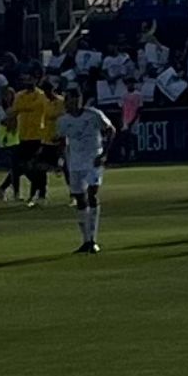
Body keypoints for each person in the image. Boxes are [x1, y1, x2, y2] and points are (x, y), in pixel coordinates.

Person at [56, 87, 116, 254]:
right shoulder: (63, 120)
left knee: (92, 194)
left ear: (77, 100)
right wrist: (62, 160)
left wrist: (104, 154)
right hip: (74, 162)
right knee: (80, 200)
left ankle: (93, 239)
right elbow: (61, 140)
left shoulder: (94, 115)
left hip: (93, 160)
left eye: (68, 99)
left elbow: (111, 130)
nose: (66, 103)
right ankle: (86, 240)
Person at [10, 74, 48, 209]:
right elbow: (14, 112)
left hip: (38, 135)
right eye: (25, 79)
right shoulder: (19, 96)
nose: (27, 81)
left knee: (37, 166)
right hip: (23, 135)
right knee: (21, 165)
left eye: (30, 79)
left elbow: (40, 109)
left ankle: (39, 194)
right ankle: (36, 189)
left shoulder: (41, 95)